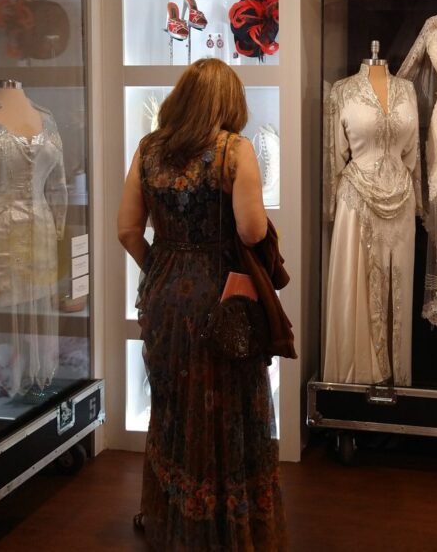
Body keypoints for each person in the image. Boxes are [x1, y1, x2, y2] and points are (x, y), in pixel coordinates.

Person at [117, 58, 287, 550]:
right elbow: (252, 229)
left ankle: (169, 513)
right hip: (220, 297)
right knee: (227, 409)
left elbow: (127, 230)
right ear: (229, 102)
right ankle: (226, 525)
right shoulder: (234, 150)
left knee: (171, 406)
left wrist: (161, 270)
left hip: (164, 294)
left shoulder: (149, 150)